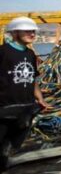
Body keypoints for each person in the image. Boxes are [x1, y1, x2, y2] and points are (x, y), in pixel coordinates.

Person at [0, 17, 48, 171]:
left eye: (33, 31)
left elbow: (32, 79)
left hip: (25, 108)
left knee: (12, 144)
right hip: (4, 108)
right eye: (27, 31)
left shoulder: (31, 54)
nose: (32, 34)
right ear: (14, 33)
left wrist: (40, 98)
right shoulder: (3, 52)